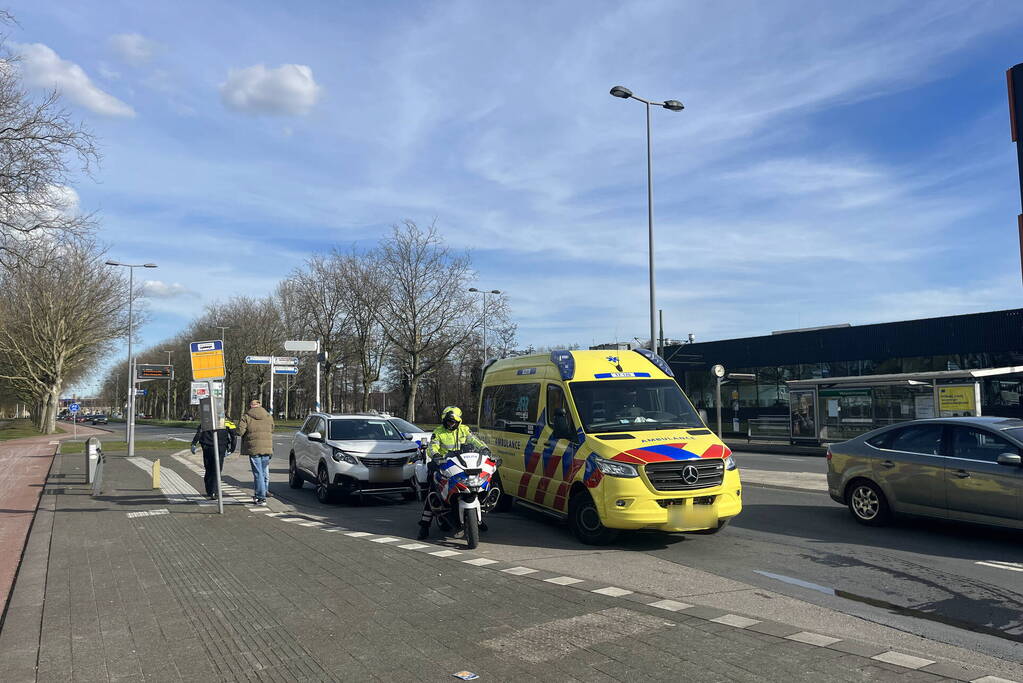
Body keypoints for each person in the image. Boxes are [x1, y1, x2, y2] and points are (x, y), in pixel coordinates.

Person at [417, 406, 490, 540]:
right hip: (445, 465)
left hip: (463, 465)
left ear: (458, 421)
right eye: (447, 421)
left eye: (452, 421)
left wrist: (484, 448)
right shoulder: (438, 432)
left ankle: (477, 519)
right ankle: (424, 526)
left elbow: (474, 440)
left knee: (477, 485)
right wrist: (436, 455)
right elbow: (432, 446)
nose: (449, 424)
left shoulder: (464, 430)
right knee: (433, 491)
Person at [237, 398, 275, 506]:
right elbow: (272, 429)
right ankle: (262, 493)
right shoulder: (268, 416)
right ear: (260, 405)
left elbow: (240, 431)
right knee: (262, 472)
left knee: (258, 473)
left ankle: (260, 497)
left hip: (253, 448)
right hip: (267, 448)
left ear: (250, 406)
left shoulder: (246, 416)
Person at [190, 418, 237, 499]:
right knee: (217, 469)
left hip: (207, 447)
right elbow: (234, 436)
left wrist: (194, 444)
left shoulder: (206, 421)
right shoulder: (227, 422)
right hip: (220, 447)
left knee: (208, 468)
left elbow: (199, 433)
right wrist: (232, 449)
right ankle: (214, 491)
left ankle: (209, 490)